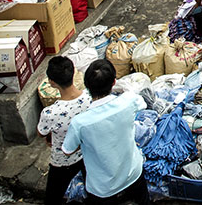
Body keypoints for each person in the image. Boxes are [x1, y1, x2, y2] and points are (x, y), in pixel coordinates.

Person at [62, 59, 148, 205]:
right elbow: (142, 104)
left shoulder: (80, 123)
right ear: (114, 83)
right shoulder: (128, 101)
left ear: (86, 86)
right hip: (133, 173)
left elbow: (67, 150)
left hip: (103, 188)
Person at [37, 57, 90, 205]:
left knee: (53, 197)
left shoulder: (50, 112)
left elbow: (41, 132)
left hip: (63, 160)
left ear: (52, 82)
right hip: (88, 152)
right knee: (91, 187)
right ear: (73, 73)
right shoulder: (90, 97)